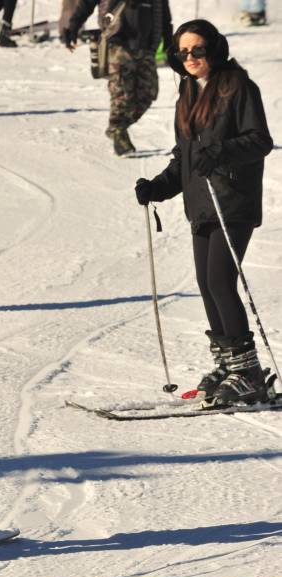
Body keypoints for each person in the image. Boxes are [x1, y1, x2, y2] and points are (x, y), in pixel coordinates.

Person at [134, 20, 273, 406]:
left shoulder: (237, 86)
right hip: (201, 202)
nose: (191, 58)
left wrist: (223, 152)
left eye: (197, 49)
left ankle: (247, 373)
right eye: (183, 52)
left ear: (214, 47)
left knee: (220, 281)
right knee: (206, 284)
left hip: (233, 199)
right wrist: (159, 186)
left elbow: (260, 140)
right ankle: (230, 366)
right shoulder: (188, 92)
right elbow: (187, 157)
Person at [62, 0, 172, 156]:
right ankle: (118, 133)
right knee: (121, 92)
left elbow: (164, 15)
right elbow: (86, 3)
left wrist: (168, 41)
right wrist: (73, 27)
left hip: (146, 46)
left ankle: (117, 128)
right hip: (117, 42)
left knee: (148, 94)